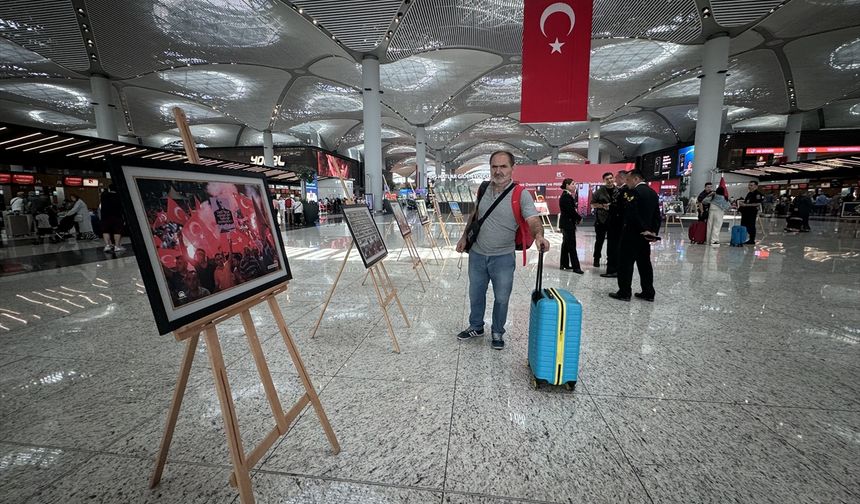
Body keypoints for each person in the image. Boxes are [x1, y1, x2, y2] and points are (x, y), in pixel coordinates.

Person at [455, 150, 550, 350]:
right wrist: (464, 237)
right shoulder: (483, 188)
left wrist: (539, 236)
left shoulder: (520, 194)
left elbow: (533, 220)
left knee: (502, 297)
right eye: (494, 166)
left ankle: (497, 331)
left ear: (512, 168)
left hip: (503, 258)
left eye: (503, 166)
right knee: (476, 293)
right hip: (478, 255)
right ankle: (476, 326)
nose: (498, 171)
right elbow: (475, 214)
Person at [609, 169, 660, 302]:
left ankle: (624, 292)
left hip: (632, 234)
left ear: (636, 179)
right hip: (645, 236)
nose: (627, 182)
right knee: (645, 264)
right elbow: (657, 215)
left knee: (625, 264)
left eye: (629, 179)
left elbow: (633, 214)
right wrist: (653, 232)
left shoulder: (634, 193)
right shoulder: (652, 193)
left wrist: (643, 229)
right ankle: (648, 292)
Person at [600, 170, 628, 278]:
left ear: (621, 178)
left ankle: (613, 270)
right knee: (613, 247)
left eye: (615, 178)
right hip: (615, 224)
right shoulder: (621, 190)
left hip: (617, 225)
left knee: (614, 248)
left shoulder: (624, 191)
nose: (614, 180)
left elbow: (619, 207)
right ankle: (613, 269)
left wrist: (610, 206)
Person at [590, 172, 616, 269]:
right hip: (601, 219)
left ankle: (611, 259)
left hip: (614, 220)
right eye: (607, 179)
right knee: (599, 241)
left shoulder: (618, 191)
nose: (609, 180)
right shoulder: (599, 191)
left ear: (613, 178)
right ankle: (596, 258)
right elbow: (592, 204)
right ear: (604, 181)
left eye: (611, 178)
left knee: (612, 241)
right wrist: (602, 206)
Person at [558, 178, 584, 273]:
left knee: (566, 244)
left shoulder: (567, 195)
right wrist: (579, 218)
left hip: (566, 223)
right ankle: (576, 267)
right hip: (567, 224)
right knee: (572, 245)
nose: (574, 186)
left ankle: (564, 264)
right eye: (573, 184)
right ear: (567, 185)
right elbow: (571, 211)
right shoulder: (566, 196)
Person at [100, 184, 126, 253]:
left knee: (106, 230)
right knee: (117, 231)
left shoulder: (104, 195)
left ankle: (107, 245)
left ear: (109, 189)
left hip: (105, 216)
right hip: (117, 216)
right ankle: (117, 246)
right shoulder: (119, 196)